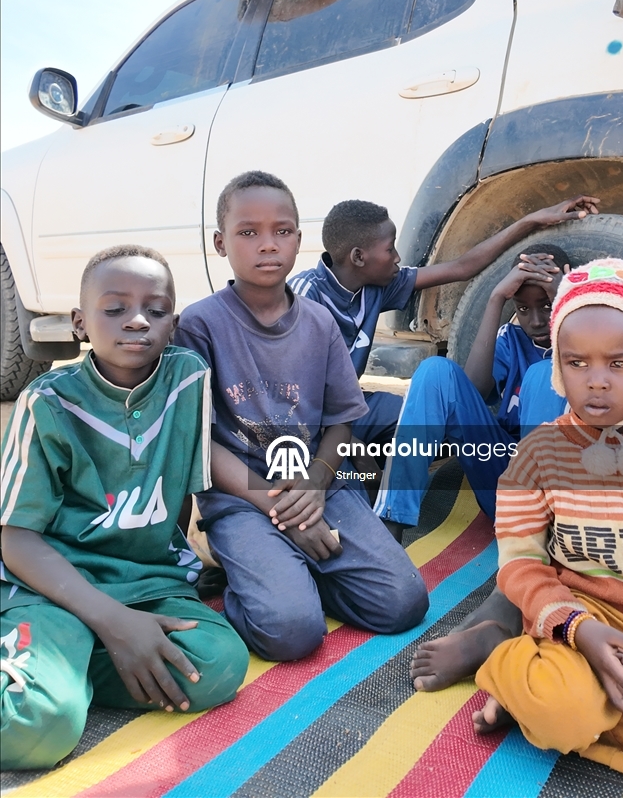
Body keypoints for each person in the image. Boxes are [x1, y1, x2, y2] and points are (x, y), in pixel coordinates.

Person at [0, 246, 249, 772]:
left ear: (173, 322)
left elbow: (181, 498)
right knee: (35, 729)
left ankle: (62, 664)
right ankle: (56, 658)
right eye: (114, 309)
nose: (137, 320)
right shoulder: (47, 403)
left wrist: (161, 590)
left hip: (147, 585)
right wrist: (112, 620)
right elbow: (16, 538)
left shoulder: (188, 379)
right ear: (79, 322)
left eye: (156, 310)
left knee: (220, 664)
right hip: (54, 588)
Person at [173, 171, 429, 664]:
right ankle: (262, 576)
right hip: (242, 496)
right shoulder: (200, 325)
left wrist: (313, 486)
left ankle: (288, 572)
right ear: (220, 243)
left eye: (282, 231)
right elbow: (197, 441)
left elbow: (340, 421)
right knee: (291, 632)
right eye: (248, 232)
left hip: (319, 487)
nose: (267, 245)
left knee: (403, 603)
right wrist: (282, 515)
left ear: (298, 239)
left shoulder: (318, 323)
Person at [471, 258, 623, 790]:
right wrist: (580, 631)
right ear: (557, 368)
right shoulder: (537, 454)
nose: (596, 383)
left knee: (614, 700)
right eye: (577, 363)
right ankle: (513, 667)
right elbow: (520, 565)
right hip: (575, 628)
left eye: (620, 364)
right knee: (569, 713)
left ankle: (536, 705)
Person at [289, 196, 599, 454]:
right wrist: (347, 444)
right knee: (350, 472)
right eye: (389, 249)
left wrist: (530, 221)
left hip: (350, 408)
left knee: (428, 421)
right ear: (358, 257)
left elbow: (463, 267)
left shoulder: (376, 286)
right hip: (300, 419)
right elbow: (290, 394)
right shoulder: (306, 296)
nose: (398, 257)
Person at [375, 243, 572, 533]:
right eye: (522, 308)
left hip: (561, 492)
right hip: (503, 475)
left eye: (547, 305)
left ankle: (542, 532)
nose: (537, 320)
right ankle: (392, 518)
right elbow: (474, 390)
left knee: (544, 373)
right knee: (435, 370)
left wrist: (567, 297)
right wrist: (495, 298)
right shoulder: (511, 339)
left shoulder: (589, 337)